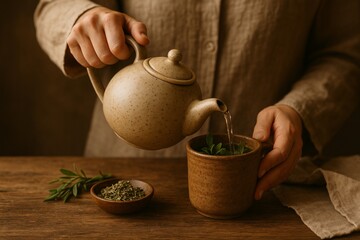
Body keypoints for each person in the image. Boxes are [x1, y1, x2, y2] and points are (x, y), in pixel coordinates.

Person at [34, 0, 360, 200]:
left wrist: (300, 109)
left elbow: (344, 52)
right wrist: (82, 17)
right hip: (120, 173)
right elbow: (52, 7)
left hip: (260, 183)